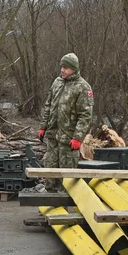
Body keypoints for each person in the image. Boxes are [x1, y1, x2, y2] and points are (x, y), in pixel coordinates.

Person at [38, 53, 94, 191]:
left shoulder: (83, 87)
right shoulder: (57, 82)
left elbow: (85, 115)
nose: (62, 70)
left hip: (68, 140)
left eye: (66, 67)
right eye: (62, 66)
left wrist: (77, 137)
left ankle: (65, 203)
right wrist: (43, 127)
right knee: (50, 170)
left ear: (74, 69)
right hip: (53, 136)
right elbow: (49, 105)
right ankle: (50, 201)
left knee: (67, 174)